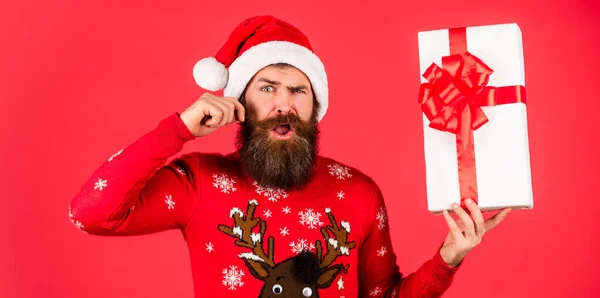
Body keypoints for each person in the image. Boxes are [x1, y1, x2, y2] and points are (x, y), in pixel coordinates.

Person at [69, 15, 511, 298]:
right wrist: (177, 131)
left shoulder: (357, 191)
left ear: (314, 107)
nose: (284, 103)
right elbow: (91, 213)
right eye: (267, 88)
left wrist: (448, 257)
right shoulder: (200, 179)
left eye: (298, 90)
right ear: (240, 103)